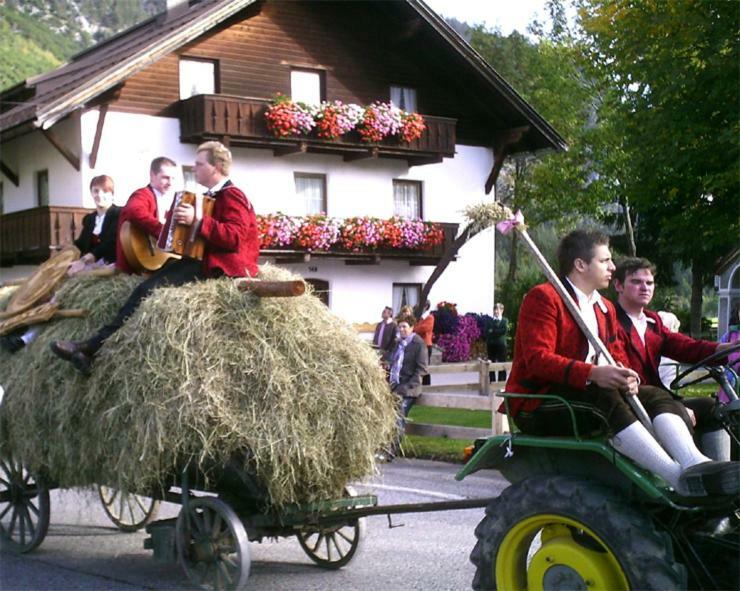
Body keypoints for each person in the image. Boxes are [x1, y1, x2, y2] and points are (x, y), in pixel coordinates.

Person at [505, 229, 738, 497]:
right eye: (605, 261)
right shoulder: (545, 297)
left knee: (655, 394)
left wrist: (627, 375)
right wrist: (593, 373)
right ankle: (676, 479)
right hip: (540, 401)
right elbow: (537, 360)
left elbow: (616, 355)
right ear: (580, 265)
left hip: (585, 393)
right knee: (604, 393)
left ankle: (696, 464)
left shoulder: (604, 307)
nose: (612, 267)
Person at [50, 141, 260, 375]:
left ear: (216, 167)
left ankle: (91, 348)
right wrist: (178, 226)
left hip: (222, 268)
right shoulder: (208, 197)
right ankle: (92, 347)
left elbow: (235, 238)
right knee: (146, 287)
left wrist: (198, 222)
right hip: (203, 261)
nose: (194, 168)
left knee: (145, 291)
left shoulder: (233, 195)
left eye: (199, 164)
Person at [613, 257, 733, 461]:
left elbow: (684, 346)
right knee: (681, 412)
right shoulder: (610, 321)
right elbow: (621, 369)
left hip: (657, 398)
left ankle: (722, 473)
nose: (644, 288)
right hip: (632, 400)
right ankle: (692, 472)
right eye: (636, 282)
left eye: (649, 283)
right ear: (618, 285)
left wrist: (726, 348)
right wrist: (676, 407)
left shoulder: (652, 321)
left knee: (713, 408)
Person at [1, 175, 120, 354]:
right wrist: (59, 258)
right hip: (85, 264)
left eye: (105, 191)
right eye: (96, 191)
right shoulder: (89, 219)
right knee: (45, 289)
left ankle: (26, 338)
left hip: (106, 263)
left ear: (112, 194)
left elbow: (110, 243)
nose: (100, 195)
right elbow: (80, 244)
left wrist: (84, 260)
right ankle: (14, 327)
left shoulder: (118, 214)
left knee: (60, 297)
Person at [115, 156, 178, 275]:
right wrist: (162, 233)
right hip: (139, 265)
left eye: (173, 178)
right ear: (152, 175)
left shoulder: (169, 198)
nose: (170, 183)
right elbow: (134, 211)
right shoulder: (142, 195)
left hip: (160, 259)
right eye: (165, 177)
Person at [387, 315, 428, 460]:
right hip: (394, 386)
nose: (402, 329)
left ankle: (391, 451)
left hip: (409, 389)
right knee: (387, 418)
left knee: (398, 418)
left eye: (405, 327)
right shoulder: (399, 343)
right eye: (400, 327)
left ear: (412, 328)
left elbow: (422, 369)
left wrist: (406, 387)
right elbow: (391, 361)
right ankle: (384, 447)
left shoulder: (419, 344)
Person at [486, 302, 508, 383]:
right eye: (495, 310)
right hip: (491, 346)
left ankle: (501, 383)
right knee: (491, 364)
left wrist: (493, 331)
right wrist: (495, 331)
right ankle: (492, 383)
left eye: (497, 309)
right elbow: (487, 332)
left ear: (502, 310)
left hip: (501, 346)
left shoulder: (505, 321)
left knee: (502, 364)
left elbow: (504, 331)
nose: (496, 311)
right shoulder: (490, 321)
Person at [414, 300, 435, 386]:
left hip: (426, 345)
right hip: (417, 344)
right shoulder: (419, 317)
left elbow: (423, 329)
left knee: (425, 366)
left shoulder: (430, 317)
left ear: (425, 307)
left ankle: (427, 386)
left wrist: (414, 328)